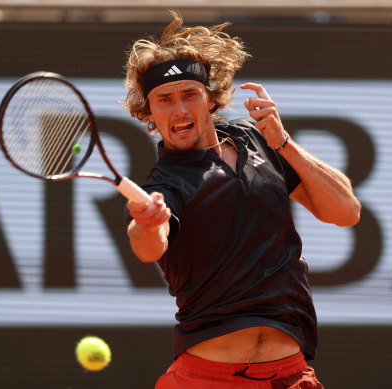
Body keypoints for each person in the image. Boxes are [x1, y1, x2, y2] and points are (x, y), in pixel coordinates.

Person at [122, 12, 361, 389]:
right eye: (164, 100)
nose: (179, 109)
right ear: (149, 113)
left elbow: (346, 212)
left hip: (290, 375)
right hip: (205, 379)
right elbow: (149, 246)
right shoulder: (166, 182)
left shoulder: (257, 140)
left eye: (190, 94)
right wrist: (148, 223)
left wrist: (283, 141)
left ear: (210, 100)